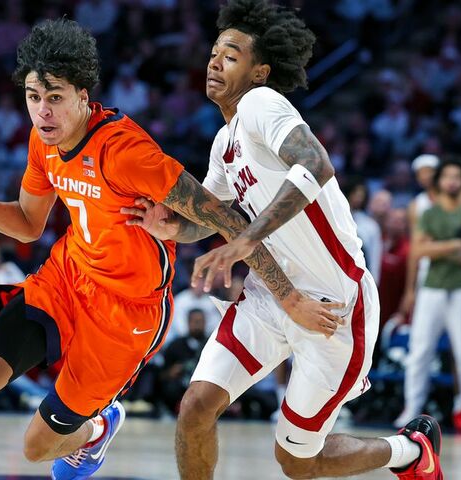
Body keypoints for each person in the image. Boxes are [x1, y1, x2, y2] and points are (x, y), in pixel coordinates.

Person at [0, 19, 334, 480]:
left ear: (83, 96)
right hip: (67, 277)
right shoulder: (43, 140)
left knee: (37, 448)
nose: (42, 112)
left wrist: (288, 297)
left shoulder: (126, 152)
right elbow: (28, 224)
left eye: (55, 98)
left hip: (127, 313)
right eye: (33, 97)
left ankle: (97, 429)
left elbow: (226, 218)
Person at [126, 1, 442, 478]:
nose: (215, 62)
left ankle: (411, 451)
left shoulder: (262, 103)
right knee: (195, 407)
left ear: (259, 72)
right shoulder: (224, 142)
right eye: (214, 53)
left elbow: (315, 164)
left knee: (297, 462)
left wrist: (245, 240)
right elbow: (208, 219)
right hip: (269, 297)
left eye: (231, 56)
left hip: (333, 306)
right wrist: (169, 226)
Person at [394, 156, 461, 433]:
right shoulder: (428, 213)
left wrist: (436, 247)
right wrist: (457, 245)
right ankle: (411, 410)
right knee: (419, 352)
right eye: (447, 176)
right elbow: (419, 250)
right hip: (431, 288)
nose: (452, 181)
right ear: (440, 180)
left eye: (457, 177)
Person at [398, 154, 439, 316]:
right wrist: (409, 290)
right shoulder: (416, 205)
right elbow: (414, 248)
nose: (426, 176)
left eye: (429, 171)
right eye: (421, 173)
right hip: (426, 269)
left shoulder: (459, 199)